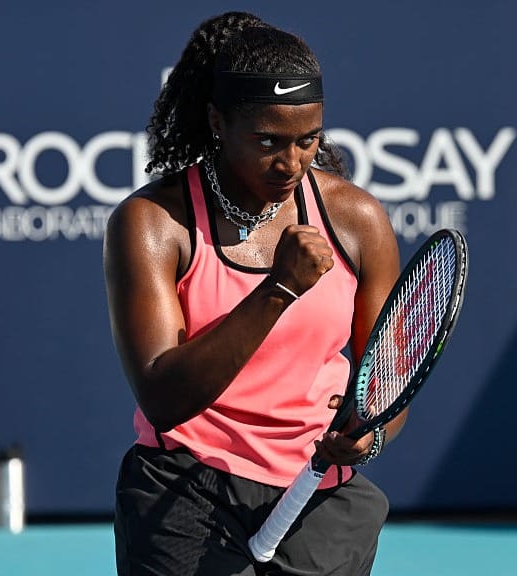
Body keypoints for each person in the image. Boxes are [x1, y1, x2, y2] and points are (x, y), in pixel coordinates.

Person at [104, 11, 403, 576]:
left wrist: (368, 437)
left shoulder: (357, 219)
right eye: (268, 141)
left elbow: (387, 380)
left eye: (308, 140)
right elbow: (163, 398)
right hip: (186, 493)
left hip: (321, 500)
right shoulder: (152, 223)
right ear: (218, 122)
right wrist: (280, 288)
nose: (291, 163)